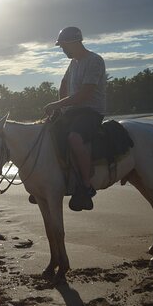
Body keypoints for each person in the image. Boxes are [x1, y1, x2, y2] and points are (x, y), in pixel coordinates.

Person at [44, 27, 107, 211]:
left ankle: (86, 186)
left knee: (74, 138)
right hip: (72, 112)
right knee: (47, 134)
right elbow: (64, 85)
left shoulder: (94, 61)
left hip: (91, 111)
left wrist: (56, 105)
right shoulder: (74, 63)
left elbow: (85, 95)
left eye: (63, 46)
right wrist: (61, 107)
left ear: (74, 43)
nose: (62, 50)